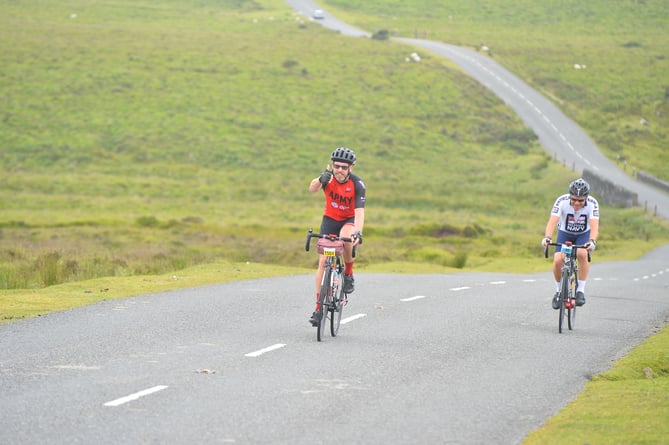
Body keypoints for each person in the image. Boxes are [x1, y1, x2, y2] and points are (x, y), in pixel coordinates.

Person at [308, 147, 365, 326]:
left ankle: (348, 273)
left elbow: (360, 212)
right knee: (324, 261)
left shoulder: (357, 184)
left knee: (346, 237)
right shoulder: (328, 177)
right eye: (336, 166)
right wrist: (320, 180)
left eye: (343, 167)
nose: (339, 170)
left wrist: (358, 231)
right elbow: (312, 189)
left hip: (349, 220)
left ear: (351, 168)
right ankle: (318, 308)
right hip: (330, 219)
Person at [541, 178, 599, 309]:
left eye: (580, 200)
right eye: (574, 199)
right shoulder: (561, 201)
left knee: (582, 253)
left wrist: (592, 241)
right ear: (569, 196)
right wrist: (547, 237)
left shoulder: (592, 203)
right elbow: (552, 221)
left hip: (583, 234)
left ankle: (580, 291)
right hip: (565, 233)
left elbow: (594, 226)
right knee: (557, 260)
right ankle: (558, 291)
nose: (577, 203)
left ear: (586, 198)